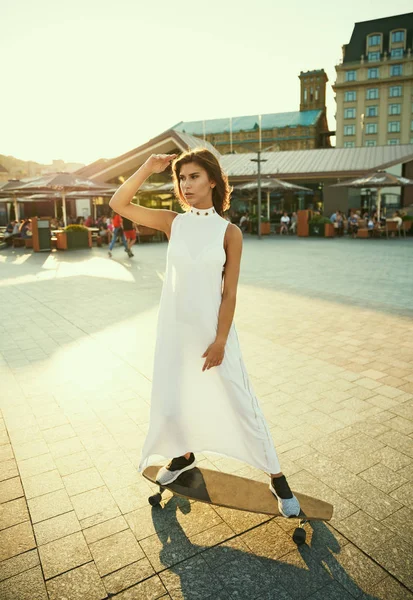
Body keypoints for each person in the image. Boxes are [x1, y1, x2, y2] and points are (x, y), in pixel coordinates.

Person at [109, 150, 300, 518]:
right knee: (172, 397)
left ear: (213, 180)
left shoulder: (230, 233)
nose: (186, 184)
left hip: (214, 334)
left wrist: (221, 340)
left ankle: (276, 477)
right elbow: (119, 202)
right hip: (175, 332)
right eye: (182, 178)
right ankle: (182, 456)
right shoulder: (173, 222)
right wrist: (149, 167)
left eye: (194, 177)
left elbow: (229, 293)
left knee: (240, 401)